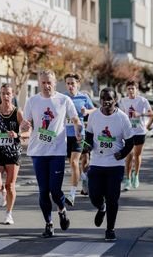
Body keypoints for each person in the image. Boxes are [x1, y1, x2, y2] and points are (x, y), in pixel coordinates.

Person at [20, 69, 82, 238]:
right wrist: (24, 127)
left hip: (57, 151)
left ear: (55, 83)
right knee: (43, 190)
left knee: (55, 190)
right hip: (38, 152)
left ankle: (62, 210)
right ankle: (49, 223)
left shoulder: (64, 100)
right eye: (43, 83)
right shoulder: (32, 101)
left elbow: (75, 119)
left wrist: (78, 129)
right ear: (39, 83)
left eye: (49, 82)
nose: (46, 86)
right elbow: (26, 123)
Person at [85, 87, 134, 241]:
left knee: (113, 198)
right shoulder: (94, 116)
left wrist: (123, 154)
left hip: (115, 164)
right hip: (97, 162)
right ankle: (101, 207)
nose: (106, 102)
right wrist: (87, 146)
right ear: (100, 100)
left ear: (115, 100)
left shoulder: (122, 118)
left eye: (109, 99)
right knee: (94, 196)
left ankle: (110, 229)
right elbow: (89, 136)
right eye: (103, 99)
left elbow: (130, 142)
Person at [0, 84, 24, 225]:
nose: (5, 96)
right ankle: (1, 192)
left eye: (8, 93)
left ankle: (8, 214)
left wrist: (17, 134)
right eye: (3, 93)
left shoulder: (18, 112)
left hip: (13, 152)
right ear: (0, 95)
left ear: (12, 95)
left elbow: (28, 132)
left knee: (10, 185)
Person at [63, 73, 96, 206]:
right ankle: (84, 178)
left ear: (78, 84)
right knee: (71, 162)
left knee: (74, 162)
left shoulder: (84, 97)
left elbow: (94, 109)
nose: (70, 86)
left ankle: (71, 194)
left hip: (79, 134)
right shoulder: (63, 98)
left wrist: (87, 112)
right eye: (68, 83)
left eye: (73, 83)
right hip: (64, 136)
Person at [119, 80, 153, 190]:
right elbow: (121, 115)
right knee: (129, 155)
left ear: (136, 90)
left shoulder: (143, 100)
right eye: (128, 88)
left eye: (133, 88)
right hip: (128, 132)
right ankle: (128, 179)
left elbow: (151, 114)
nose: (130, 90)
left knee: (137, 155)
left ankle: (136, 175)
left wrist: (140, 115)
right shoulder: (123, 101)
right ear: (126, 90)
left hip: (140, 131)